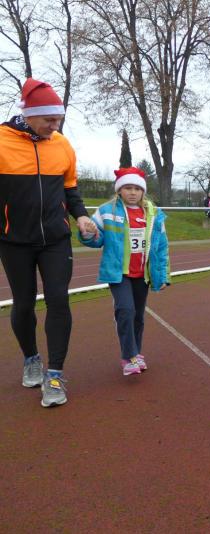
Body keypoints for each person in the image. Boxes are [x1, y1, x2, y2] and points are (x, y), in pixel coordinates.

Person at [0, 78, 96, 408]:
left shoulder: (62, 145)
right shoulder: (2, 142)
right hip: (14, 241)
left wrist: (80, 216)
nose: (55, 126)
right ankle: (31, 359)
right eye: (49, 120)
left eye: (59, 119)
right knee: (24, 303)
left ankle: (54, 374)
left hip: (55, 240)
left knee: (58, 300)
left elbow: (70, 189)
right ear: (29, 115)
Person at [79, 168, 170, 375]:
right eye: (128, 188)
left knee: (138, 316)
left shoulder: (154, 213)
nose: (132, 192)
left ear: (143, 191)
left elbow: (162, 246)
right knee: (126, 310)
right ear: (119, 190)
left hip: (143, 274)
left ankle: (136, 353)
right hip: (118, 273)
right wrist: (89, 233)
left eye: (137, 188)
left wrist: (163, 275)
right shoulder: (106, 211)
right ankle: (128, 356)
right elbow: (96, 240)